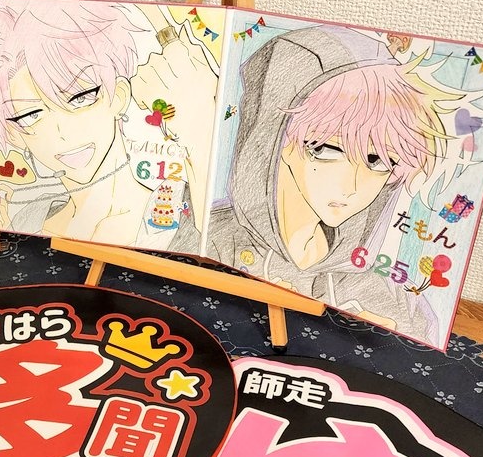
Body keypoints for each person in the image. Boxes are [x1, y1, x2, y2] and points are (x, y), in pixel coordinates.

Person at [197, 25, 463, 344]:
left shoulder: (389, 293)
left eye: (379, 161)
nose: (352, 185)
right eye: (326, 149)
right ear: (276, 138)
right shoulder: (208, 236)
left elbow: (418, 345)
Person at [0, 0, 217, 248]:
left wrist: (201, 136)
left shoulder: (184, 211)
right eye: (31, 115)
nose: (62, 133)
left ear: (118, 97)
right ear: (14, 133)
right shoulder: (25, 218)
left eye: (79, 98)